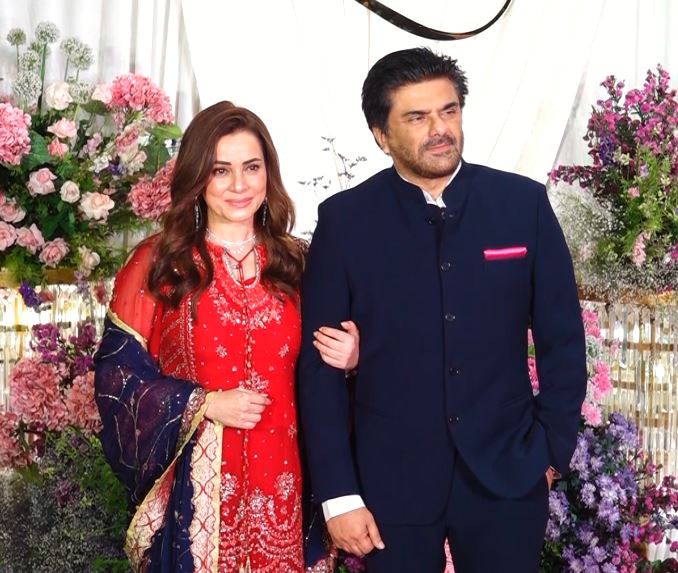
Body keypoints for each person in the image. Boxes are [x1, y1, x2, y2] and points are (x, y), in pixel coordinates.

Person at [298, 47, 587, 573]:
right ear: (381, 135)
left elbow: (563, 341)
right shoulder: (344, 221)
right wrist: (338, 494)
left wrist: (550, 451)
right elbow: (319, 371)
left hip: (508, 473)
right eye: (417, 117)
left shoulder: (522, 204)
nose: (440, 129)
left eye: (448, 111)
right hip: (389, 482)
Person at [94, 101, 359, 573]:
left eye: (251, 168)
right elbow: (116, 375)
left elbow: (336, 367)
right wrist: (203, 404)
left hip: (288, 481)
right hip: (197, 493)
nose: (239, 185)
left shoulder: (300, 263)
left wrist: (356, 358)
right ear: (198, 177)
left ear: (268, 174)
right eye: (221, 170)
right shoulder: (160, 264)